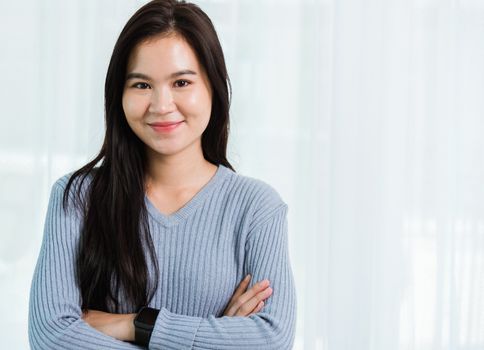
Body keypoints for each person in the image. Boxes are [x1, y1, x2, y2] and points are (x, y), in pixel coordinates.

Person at [28, 0, 297, 348]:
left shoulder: (256, 208)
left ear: (213, 87)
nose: (161, 104)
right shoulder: (77, 197)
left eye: (181, 82)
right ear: (118, 95)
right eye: (141, 85)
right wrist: (213, 337)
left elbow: (271, 339)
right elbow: (51, 337)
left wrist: (137, 325)